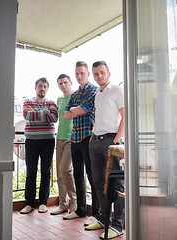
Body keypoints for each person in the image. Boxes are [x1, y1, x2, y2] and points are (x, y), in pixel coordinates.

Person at [85, 61, 125, 239]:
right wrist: (93, 136)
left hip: (111, 140)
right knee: (98, 182)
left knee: (116, 184)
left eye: (102, 72)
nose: (99, 76)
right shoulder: (97, 95)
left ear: (109, 73)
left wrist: (116, 141)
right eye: (96, 74)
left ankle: (117, 226)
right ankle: (103, 220)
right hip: (95, 141)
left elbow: (126, 116)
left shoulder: (117, 90)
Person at [62, 61, 100, 226]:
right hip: (75, 138)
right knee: (78, 175)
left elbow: (83, 110)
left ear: (88, 74)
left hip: (88, 137)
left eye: (82, 73)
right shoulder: (74, 94)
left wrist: (75, 110)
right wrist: (75, 110)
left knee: (92, 176)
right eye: (76, 74)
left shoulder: (94, 90)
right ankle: (81, 210)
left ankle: (97, 214)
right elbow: (65, 115)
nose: (79, 76)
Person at [20, 77, 58, 214]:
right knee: (31, 172)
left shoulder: (51, 102)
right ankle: (29, 204)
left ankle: (43, 202)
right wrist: (45, 112)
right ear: (35, 87)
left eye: (45, 86)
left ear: (47, 88)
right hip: (31, 140)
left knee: (46, 172)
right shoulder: (27, 101)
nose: (43, 89)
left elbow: (54, 118)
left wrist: (36, 113)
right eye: (40, 86)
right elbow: (27, 116)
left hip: (48, 140)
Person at [50, 74, 77, 215]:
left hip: (71, 138)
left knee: (66, 169)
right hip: (59, 138)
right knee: (60, 172)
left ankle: (75, 203)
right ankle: (63, 204)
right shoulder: (59, 99)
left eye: (65, 82)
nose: (63, 85)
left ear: (70, 82)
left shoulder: (76, 96)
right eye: (60, 83)